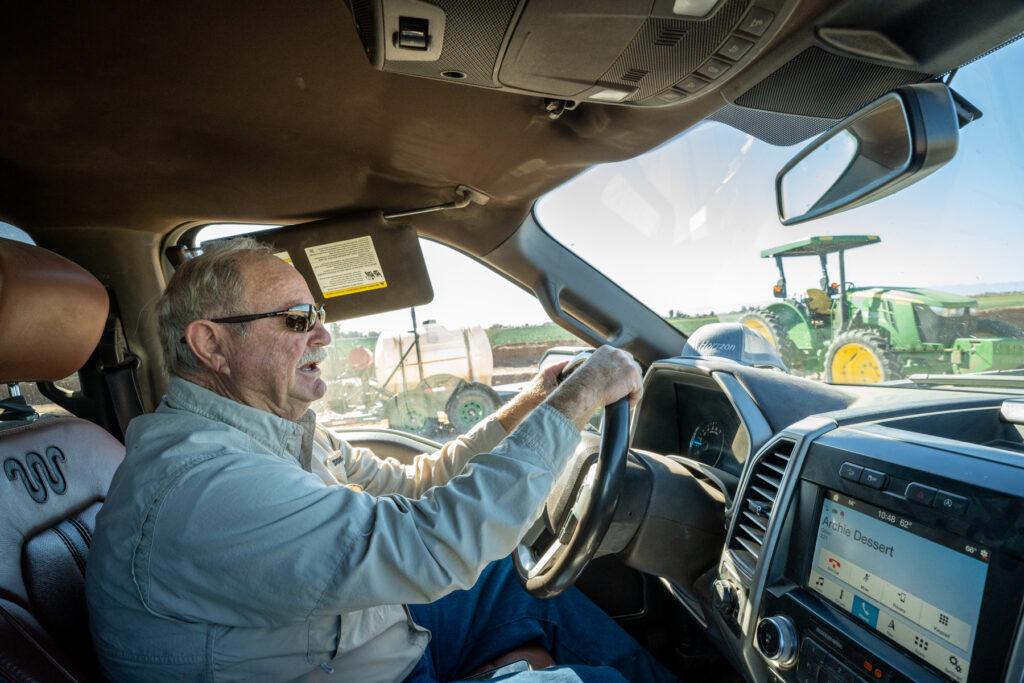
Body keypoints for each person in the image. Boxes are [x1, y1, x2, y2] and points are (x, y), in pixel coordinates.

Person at [86, 238, 676, 682]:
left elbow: (413, 487)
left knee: (509, 579)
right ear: (211, 344)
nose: (322, 337)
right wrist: (574, 406)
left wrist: (534, 405)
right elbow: (427, 543)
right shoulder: (206, 485)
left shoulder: (272, 432)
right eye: (296, 319)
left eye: (319, 317)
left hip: (377, 641)